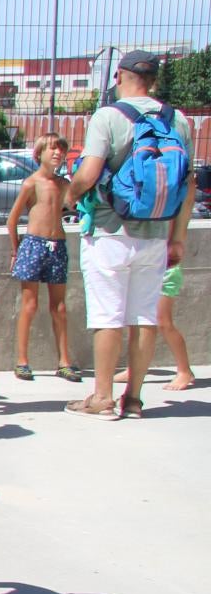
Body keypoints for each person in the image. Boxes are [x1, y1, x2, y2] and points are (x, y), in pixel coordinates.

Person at [66, 50, 196, 420]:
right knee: (144, 316)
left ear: (119, 76)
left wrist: (70, 194)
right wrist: (178, 236)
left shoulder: (108, 116)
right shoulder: (178, 120)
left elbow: (89, 173)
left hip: (110, 230)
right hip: (156, 233)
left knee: (108, 315)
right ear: (153, 79)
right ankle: (134, 399)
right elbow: (188, 183)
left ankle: (103, 397)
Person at [7, 133, 81, 383]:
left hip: (57, 245)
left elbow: (73, 203)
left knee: (59, 307)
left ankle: (64, 361)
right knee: (30, 304)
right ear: (40, 153)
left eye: (61, 149)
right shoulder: (31, 183)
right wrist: (16, 250)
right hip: (33, 245)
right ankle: (22, 360)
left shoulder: (63, 184)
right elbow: (12, 219)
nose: (57, 154)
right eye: (52, 149)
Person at [116, 257, 196, 390]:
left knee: (164, 322)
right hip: (143, 270)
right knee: (135, 322)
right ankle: (133, 368)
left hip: (165, 270)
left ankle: (184, 371)